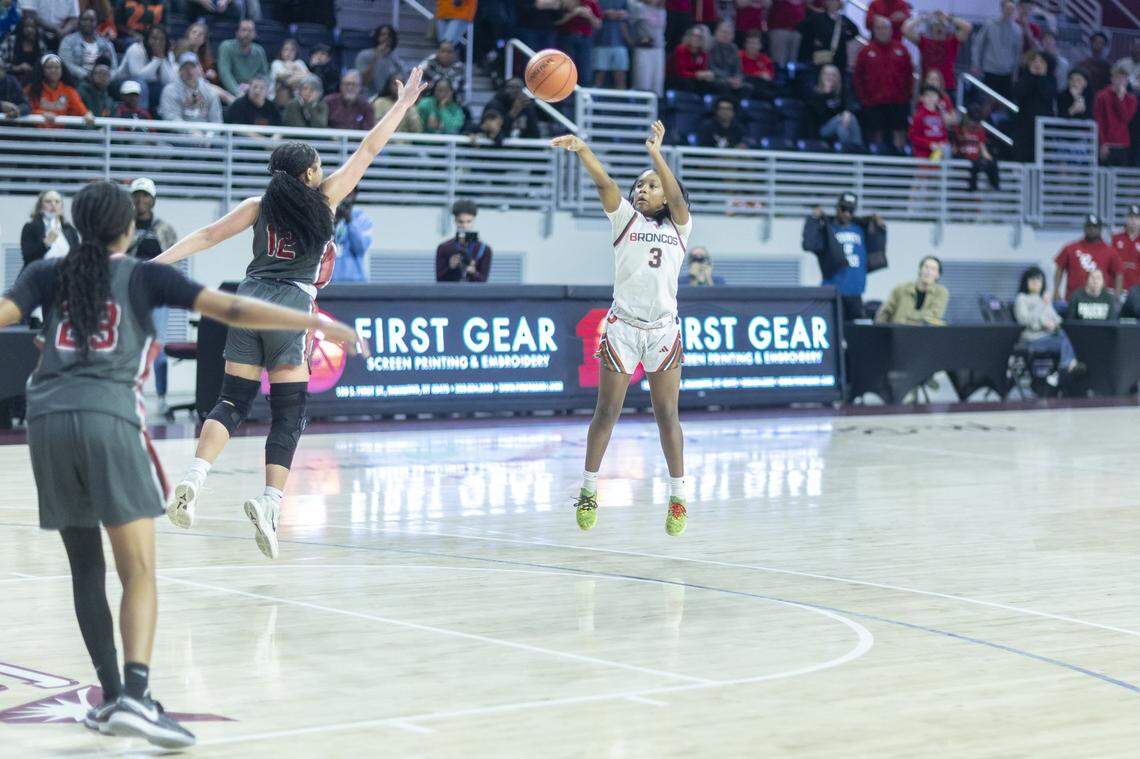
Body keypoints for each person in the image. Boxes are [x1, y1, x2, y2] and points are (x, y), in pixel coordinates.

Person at [0, 179, 362, 750]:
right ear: (126, 229)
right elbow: (235, 306)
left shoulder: (48, 273)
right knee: (139, 571)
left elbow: (3, 314)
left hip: (45, 427)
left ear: (78, 226)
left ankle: (113, 694)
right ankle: (137, 699)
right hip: (107, 419)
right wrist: (318, 323)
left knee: (86, 569)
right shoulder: (145, 274)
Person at [152, 67, 428, 559]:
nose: (323, 171)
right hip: (292, 307)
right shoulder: (326, 201)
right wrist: (403, 103)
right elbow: (369, 148)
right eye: (319, 166)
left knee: (232, 400)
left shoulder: (258, 205)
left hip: (248, 298)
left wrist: (154, 264)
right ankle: (270, 501)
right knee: (289, 411)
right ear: (308, 175)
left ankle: (194, 478)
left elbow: (207, 236)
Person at [553, 120, 691, 536]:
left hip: (663, 331)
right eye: (639, 186)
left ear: (666, 194)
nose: (640, 190)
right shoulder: (626, 221)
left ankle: (678, 496)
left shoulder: (680, 226)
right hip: (624, 328)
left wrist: (656, 157)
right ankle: (590, 488)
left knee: (667, 413)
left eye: (650, 186)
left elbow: (679, 197)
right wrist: (582, 151)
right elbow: (605, 185)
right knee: (607, 411)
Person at [125, 177, 177, 413]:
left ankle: (162, 397)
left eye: (145, 195)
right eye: (136, 195)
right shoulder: (122, 227)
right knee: (128, 346)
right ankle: (128, 396)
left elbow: (175, 261)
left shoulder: (164, 229)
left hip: (157, 295)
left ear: (152, 199)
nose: (140, 200)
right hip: (128, 293)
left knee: (158, 347)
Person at [801, 191, 886, 320]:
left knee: (857, 333)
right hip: (832, 293)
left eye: (851, 210)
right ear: (837, 208)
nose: (846, 213)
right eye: (843, 208)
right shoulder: (827, 229)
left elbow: (877, 249)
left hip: (856, 294)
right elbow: (809, 244)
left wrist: (879, 227)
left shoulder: (861, 229)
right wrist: (813, 220)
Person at [854, 15, 913, 153]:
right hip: (873, 103)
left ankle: (900, 163)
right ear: (874, 30)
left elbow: (909, 75)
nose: (882, 31)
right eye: (879, 28)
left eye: (885, 27)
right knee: (876, 136)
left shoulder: (902, 50)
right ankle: (875, 164)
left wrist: (906, 97)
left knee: (899, 135)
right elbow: (858, 77)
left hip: (898, 102)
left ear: (891, 30)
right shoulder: (865, 51)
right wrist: (864, 99)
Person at [1015, 265, 1083, 376]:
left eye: (1038, 280)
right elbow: (1024, 320)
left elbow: (1056, 318)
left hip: (1049, 335)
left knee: (1069, 336)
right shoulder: (1022, 298)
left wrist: (1055, 325)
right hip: (1033, 340)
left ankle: (1068, 366)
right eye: (1032, 279)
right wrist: (1043, 319)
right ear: (1026, 281)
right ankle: (1065, 368)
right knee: (1064, 342)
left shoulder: (1043, 299)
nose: (1036, 282)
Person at [1054, 214, 1122, 302]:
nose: (1092, 229)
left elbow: (1119, 274)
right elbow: (1059, 268)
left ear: (1100, 229)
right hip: (1073, 300)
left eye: (1095, 227)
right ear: (1084, 228)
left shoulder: (1110, 251)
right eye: (1089, 226)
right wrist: (1056, 290)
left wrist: (1116, 297)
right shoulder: (1071, 248)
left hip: (1100, 301)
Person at [902, 10, 971, 93]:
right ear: (932, 27)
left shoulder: (952, 42)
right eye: (936, 25)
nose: (939, 28)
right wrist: (923, 18)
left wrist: (949, 17)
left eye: (942, 25)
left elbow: (967, 27)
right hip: (927, 87)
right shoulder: (924, 41)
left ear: (947, 28)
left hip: (947, 87)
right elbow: (905, 29)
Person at [969, 0, 1022, 102]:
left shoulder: (1017, 30)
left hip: (1007, 72)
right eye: (1007, 8)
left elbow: (1017, 53)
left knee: (1005, 102)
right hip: (990, 70)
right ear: (1001, 8)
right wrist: (975, 64)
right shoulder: (990, 25)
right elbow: (978, 45)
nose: (1009, 11)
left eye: (1011, 9)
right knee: (987, 101)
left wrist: (1016, 72)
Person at [113, 24, 175, 110]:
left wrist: (162, 59)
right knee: (141, 85)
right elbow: (137, 76)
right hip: (123, 83)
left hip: (151, 85)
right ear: (147, 39)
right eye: (154, 38)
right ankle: (141, 116)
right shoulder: (136, 49)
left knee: (169, 89)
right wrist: (157, 60)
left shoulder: (168, 54)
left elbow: (169, 81)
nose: (158, 42)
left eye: (162, 39)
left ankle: (162, 117)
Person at [874, 256, 949, 325]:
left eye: (933, 269)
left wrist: (907, 316)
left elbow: (933, 316)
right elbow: (884, 313)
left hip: (924, 334)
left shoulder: (941, 293)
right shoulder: (901, 289)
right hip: (897, 333)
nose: (928, 272)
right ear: (920, 269)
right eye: (926, 267)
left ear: (938, 275)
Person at [21, 190, 80, 275]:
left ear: (61, 207)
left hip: (65, 278)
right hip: (38, 278)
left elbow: (76, 258)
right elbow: (28, 258)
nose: (53, 204)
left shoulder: (70, 230)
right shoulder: (31, 227)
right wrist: (46, 243)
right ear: (40, 206)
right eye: (48, 201)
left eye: (57, 201)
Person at [26, 52, 93, 124]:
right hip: (34, 132)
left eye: (57, 67)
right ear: (42, 70)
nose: (53, 70)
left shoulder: (69, 91)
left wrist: (87, 114)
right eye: (49, 67)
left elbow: (81, 109)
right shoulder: (31, 89)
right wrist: (42, 114)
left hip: (61, 133)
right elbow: (26, 109)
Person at [435, 199, 493, 282]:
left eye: (469, 221)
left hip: (474, 294)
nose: (465, 226)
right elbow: (439, 280)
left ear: (474, 220)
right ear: (455, 220)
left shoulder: (484, 249)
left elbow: (483, 281)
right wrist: (451, 267)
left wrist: (473, 272)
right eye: (460, 222)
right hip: (451, 293)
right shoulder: (444, 248)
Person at [1013, 50, 1055, 162]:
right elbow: (1018, 93)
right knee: (1022, 154)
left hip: (1044, 125)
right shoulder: (1024, 77)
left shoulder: (1051, 79)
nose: (1037, 64)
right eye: (1034, 61)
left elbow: (1047, 94)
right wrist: (1030, 75)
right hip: (1024, 124)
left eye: (1041, 61)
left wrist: (1041, 76)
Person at [806, 63, 860, 149]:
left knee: (841, 129)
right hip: (822, 129)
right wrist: (826, 93)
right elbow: (819, 114)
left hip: (840, 125)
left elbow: (849, 104)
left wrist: (846, 113)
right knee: (848, 117)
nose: (830, 77)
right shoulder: (815, 93)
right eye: (827, 74)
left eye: (833, 75)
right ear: (821, 76)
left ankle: (847, 152)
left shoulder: (842, 91)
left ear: (837, 77)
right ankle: (857, 146)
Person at [797, 0, 858, 75]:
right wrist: (813, 40)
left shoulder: (843, 19)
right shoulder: (818, 17)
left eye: (835, 2)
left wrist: (843, 39)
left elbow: (855, 31)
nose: (833, 4)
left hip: (839, 57)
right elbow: (802, 28)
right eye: (830, 2)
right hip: (821, 55)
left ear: (839, 4)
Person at [158, 51, 221, 122]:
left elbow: (216, 120)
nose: (189, 72)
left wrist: (210, 133)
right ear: (179, 70)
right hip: (180, 132)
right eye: (185, 68)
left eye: (192, 67)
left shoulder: (209, 91)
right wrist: (191, 131)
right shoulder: (169, 91)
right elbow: (171, 117)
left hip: (207, 131)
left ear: (199, 69)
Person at [1093, 65, 1137, 166]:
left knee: (1119, 176)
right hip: (1106, 143)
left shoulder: (1131, 99)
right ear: (1112, 79)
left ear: (1127, 81)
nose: (1120, 81)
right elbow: (1099, 121)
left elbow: (1126, 118)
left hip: (1122, 144)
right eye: (1117, 78)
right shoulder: (1102, 96)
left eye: (1123, 78)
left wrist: (1120, 99)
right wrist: (1102, 143)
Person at [556, 0, 602, 88]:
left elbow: (598, 25)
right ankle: (567, 100)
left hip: (585, 39)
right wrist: (574, 13)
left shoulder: (591, 3)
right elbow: (556, 22)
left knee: (585, 71)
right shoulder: (563, 2)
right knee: (567, 71)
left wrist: (590, 16)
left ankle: (584, 96)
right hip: (566, 38)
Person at [59, 8, 115, 80]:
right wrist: (88, 76)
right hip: (79, 79)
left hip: (103, 80)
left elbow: (114, 68)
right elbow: (67, 64)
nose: (88, 23)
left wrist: (107, 77)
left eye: (91, 20)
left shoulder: (106, 43)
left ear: (97, 23)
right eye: (85, 20)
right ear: (79, 22)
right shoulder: (68, 41)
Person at [217, 19, 267, 97]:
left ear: (255, 34)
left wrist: (257, 89)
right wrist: (238, 92)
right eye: (244, 30)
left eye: (250, 31)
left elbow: (264, 75)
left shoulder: (259, 50)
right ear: (237, 33)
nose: (247, 34)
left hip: (254, 90)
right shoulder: (226, 46)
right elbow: (225, 74)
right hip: (231, 92)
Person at [954, 104, 999, 191]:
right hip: (962, 158)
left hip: (975, 159)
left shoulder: (980, 131)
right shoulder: (958, 129)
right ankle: (972, 188)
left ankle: (994, 185)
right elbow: (955, 147)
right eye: (972, 119)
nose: (973, 122)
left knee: (990, 163)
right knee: (973, 165)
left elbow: (983, 148)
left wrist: (990, 160)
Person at [331, 189, 372, 283]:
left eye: (350, 193)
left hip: (356, 279)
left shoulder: (362, 218)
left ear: (355, 195)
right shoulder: (328, 216)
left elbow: (360, 248)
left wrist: (350, 221)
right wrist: (335, 221)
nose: (346, 196)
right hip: (331, 280)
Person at [356, 24, 403, 98]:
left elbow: (401, 83)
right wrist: (377, 56)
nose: (386, 37)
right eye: (383, 34)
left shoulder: (396, 59)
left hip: (388, 100)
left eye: (389, 35)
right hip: (368, 98)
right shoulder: (364, 55)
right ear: (377, 36)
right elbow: (363, 82)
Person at [629, 0, 665, 95]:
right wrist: (634, 40)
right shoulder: (638, 7)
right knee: (643, 82)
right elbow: (626, 24)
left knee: (657, 82)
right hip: (643, 49)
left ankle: (655, 108)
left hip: (659, 49)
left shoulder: (662, 10)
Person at [668, 24, 715, 94]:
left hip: (694, 78)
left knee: (708, 82)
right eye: (693, 35)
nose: (695, 39)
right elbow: (681, 72)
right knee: (687, 81)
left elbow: (702, 70)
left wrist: (706, 74)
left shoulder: (703, 53)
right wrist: (696, 74)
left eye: (699, 37)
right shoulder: (681, 49)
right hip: (678, 77)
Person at [594, 0, 631, 88]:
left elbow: (629, 16)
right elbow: (594, 14)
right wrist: (604, 14)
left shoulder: (624, 1)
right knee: (599, 74)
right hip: (601, 42)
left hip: (620, 43)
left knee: (620, 75)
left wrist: (624, 15)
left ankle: (621, 100)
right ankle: (593, 99)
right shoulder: (597, 1)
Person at [1, 15, 46, 86]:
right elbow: (1, 62)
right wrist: (16, 68)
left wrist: (34, 69)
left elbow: (45, 65)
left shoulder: (40, 44)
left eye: (33, 27)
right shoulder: (11, 41)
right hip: (11, 79)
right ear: (20, 27)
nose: (30, 30)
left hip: (34, 79)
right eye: (26, 27)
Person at [908, 85, 950, 160]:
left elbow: (944, 134)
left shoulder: (940, 115)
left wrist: (943, 143)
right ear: (922, 98)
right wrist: (929, 144)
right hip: (923, 155)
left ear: (938, 98)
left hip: (939, 154)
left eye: (933, 95)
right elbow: (913, 136)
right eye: (927, 95)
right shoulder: (919, 115)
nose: (931, 98)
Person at [708, 19, 746, 98]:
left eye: (729, 33)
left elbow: (738, 69)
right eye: (723, 32)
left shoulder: (734, 48)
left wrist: (738, 79)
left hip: (730, 79)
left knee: (747, 87)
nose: (726, 35)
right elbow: (710, 67)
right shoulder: (709, 45)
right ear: (716, 32)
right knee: (724, 85)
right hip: (714, 78)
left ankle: (737, 109)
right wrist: (728, 78)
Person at [766, 0, 805, 66]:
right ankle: (779, 74)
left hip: (796, 31)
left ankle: (791, 75)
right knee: (779, 60)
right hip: (779, 30)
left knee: (793, 61)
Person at [1112, 204, 1140, 291]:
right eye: (1131, 217)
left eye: (1137, 218)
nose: (1133, 221)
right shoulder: (1115, 239)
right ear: (1127, 219)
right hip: (1117, 288)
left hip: (1137, 289)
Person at [738, 30, 773, 97]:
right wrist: (757, 74)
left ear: (760, 45)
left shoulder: (766, 60)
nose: (752, 46)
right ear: (745, 44)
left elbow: (768, 77)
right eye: (750, 43)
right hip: (743, 87)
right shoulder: (738, 56)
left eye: (755, 43)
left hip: (760, 87)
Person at [1076, 30, 1110, 95]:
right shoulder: (1082, 63)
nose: (1098, 44)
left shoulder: (1107, 66)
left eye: (1101, 42)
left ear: (1104, 46)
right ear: (1091, 43)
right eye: (1095, 41)